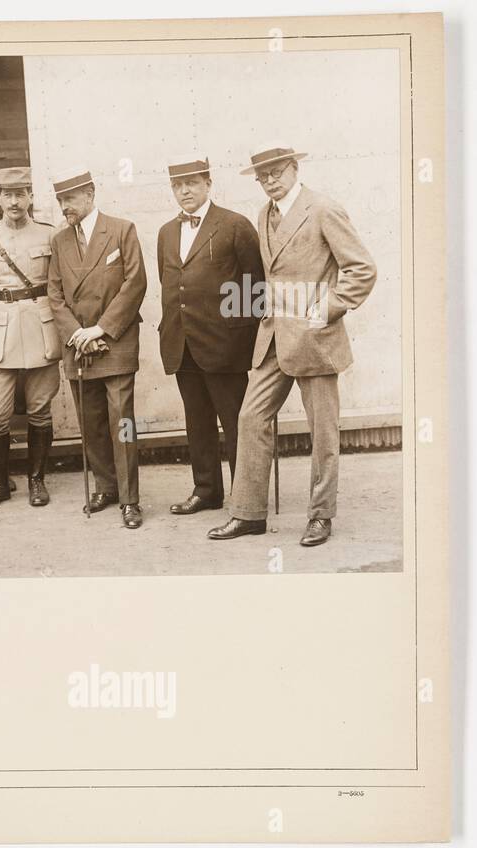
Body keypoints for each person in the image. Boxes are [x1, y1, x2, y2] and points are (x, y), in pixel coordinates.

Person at [208, 144, 377, 547]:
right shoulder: (264, 215)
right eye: (262, 176)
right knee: (250, 419)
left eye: (276, 173)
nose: (269, 181)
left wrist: (326, 310)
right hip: (273, 338)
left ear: (294, 169)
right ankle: (248, 514)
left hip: (315, 339)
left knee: (322, 433)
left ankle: (321, 516)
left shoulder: (322, 209)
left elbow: (362, 269)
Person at [155, 155, 262, 514]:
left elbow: (253, 289)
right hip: (182, 343)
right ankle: (207, 491)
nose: (184, 191)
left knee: (236, 424)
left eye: (192, 183)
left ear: (208, 184)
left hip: (224, 346)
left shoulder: (235, 225)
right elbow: (170, 285)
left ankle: (244, 498)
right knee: (196, 421)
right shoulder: (166, 232)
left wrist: (240, 343)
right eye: (177, 185)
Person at [46, 167, 148, 529]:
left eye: (69, 199)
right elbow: (54, 294)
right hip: (79, 345)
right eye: (60, 200)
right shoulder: (59, 242)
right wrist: (77, 333)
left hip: (113, 341)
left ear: (90, 194)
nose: (64, 207)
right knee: (90, 423)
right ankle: (106, 487)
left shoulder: (121, 230)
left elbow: (135, 284)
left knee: (122, 422)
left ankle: (130, 499)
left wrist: (101, 329)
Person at [0, 166, 62, 509]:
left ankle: (37, 481)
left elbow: (58, 284)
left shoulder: (49, 234)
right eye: (8, 194)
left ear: (31, 197)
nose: (15, 201)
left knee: (40, 408)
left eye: (21, 194)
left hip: (39, 325)